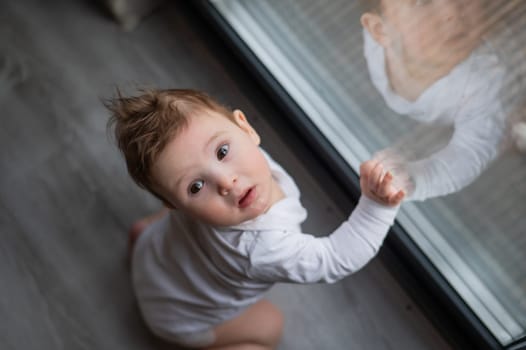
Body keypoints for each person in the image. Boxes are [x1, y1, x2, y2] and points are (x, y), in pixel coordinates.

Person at [105, 88, 404, 349]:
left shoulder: (218, 186)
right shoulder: (262, 248)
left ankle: (141, 237)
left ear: (245, 129)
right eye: (196, 186)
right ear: (175, 204)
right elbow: (334, 258)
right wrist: (377, 206)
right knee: (270, 326)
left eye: (222, 152)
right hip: (180, 320)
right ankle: (180, 340)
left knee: (182, 226)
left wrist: (193, 192)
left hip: (153, 255)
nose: (226, 181)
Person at [359, 0, 525, 201]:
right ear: (380, 31)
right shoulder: (376, 46)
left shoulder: (486, 82)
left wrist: (416, 181)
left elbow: (470, 152)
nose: (452, 11)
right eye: (423, 2)